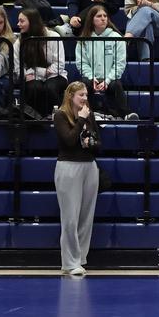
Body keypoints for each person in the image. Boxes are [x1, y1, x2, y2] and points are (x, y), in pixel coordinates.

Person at [54, 81, 101, 276]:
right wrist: (81, 120)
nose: (85, 98)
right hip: (68, 167)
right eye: (81, 95)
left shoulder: (89, 114)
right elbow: (69, 140)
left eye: (86, 95)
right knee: (70, 218)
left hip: (89, 166)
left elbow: (97, 142)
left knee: (85, 217)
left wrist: (92, 142)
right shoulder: (60, 116)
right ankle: (69, 262)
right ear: (70, 96)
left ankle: (80, 258)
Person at [76, 5, 137, 120]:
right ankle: (81, 114)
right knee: (83, 84)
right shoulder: (83, 39)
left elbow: (119, 64)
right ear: (92, 20)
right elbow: (82, 63)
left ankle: (126, 114)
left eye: (105, 16)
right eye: (99, 16)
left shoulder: (117, 38)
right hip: (91, 78)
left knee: (117, 84)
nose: (103, 18)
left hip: (110, 79)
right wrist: (91, 77)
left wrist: (107, 80)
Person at [14, 8, 70, 118]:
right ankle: (35, 118)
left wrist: (38, 71)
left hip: (56, 75)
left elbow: (59, 64)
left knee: (50, 88)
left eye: (22, 21)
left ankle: (60, 118)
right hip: (31, 77)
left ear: (32, 22)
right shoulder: (19, 42)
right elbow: (17, 67)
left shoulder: (54, 37)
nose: (18, 24)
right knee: (35, 88)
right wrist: (25, 75)